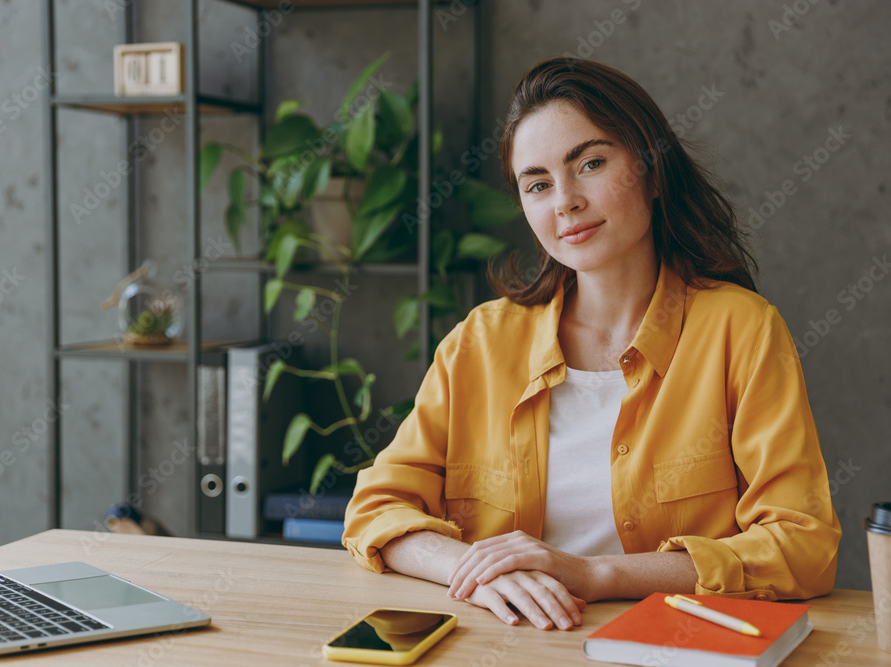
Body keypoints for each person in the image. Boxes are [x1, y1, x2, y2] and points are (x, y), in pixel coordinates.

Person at [342, 57, 841, 632]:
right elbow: (376, 511)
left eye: (591, 163)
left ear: (654, 172)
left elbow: (804, 547)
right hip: (504, 648)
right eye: (538, 184)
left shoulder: (742, 329)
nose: (565, 201)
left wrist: (596, 574)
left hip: (672, 649)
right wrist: (481, 570)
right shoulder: (478, 343)